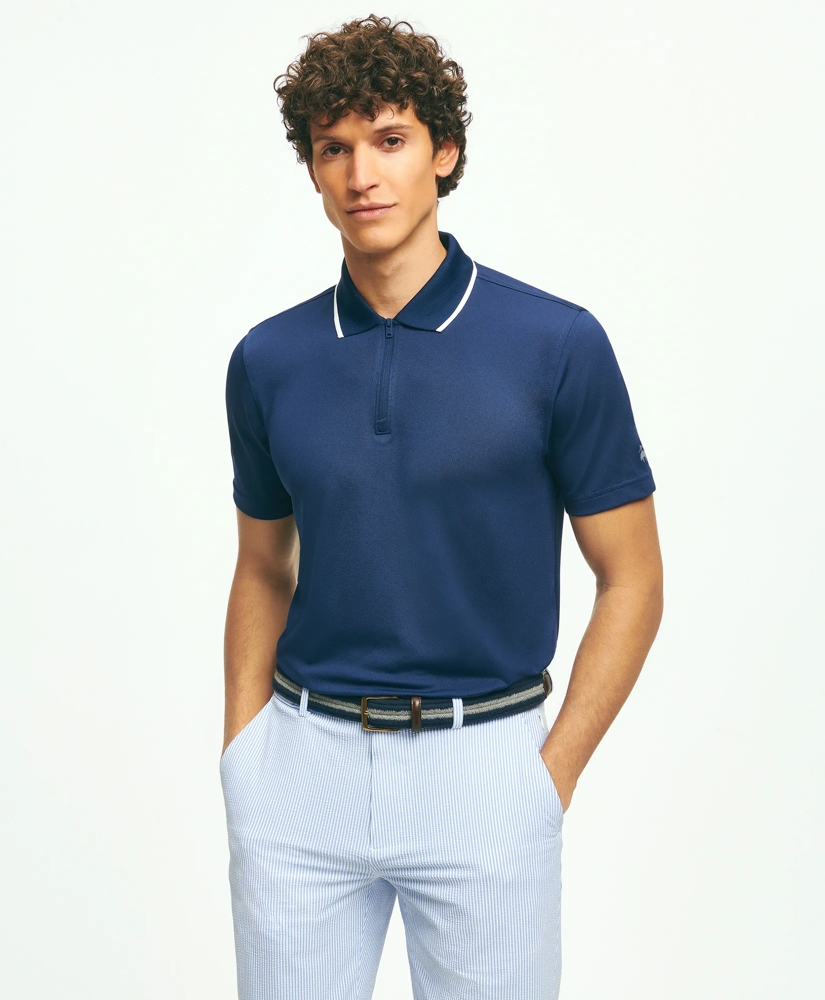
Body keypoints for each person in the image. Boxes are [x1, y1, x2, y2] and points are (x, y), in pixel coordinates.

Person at [220, 14, 663, 1000]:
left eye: (389, 139)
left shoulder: (555, 344)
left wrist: (549, 776)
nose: (360, 175)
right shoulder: (268, 359)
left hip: (486, 765)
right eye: (333, 149)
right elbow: (262, 565)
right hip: (300, 770)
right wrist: (244, 754)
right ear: (312, 170)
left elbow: (632, 576)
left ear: (444, 151)